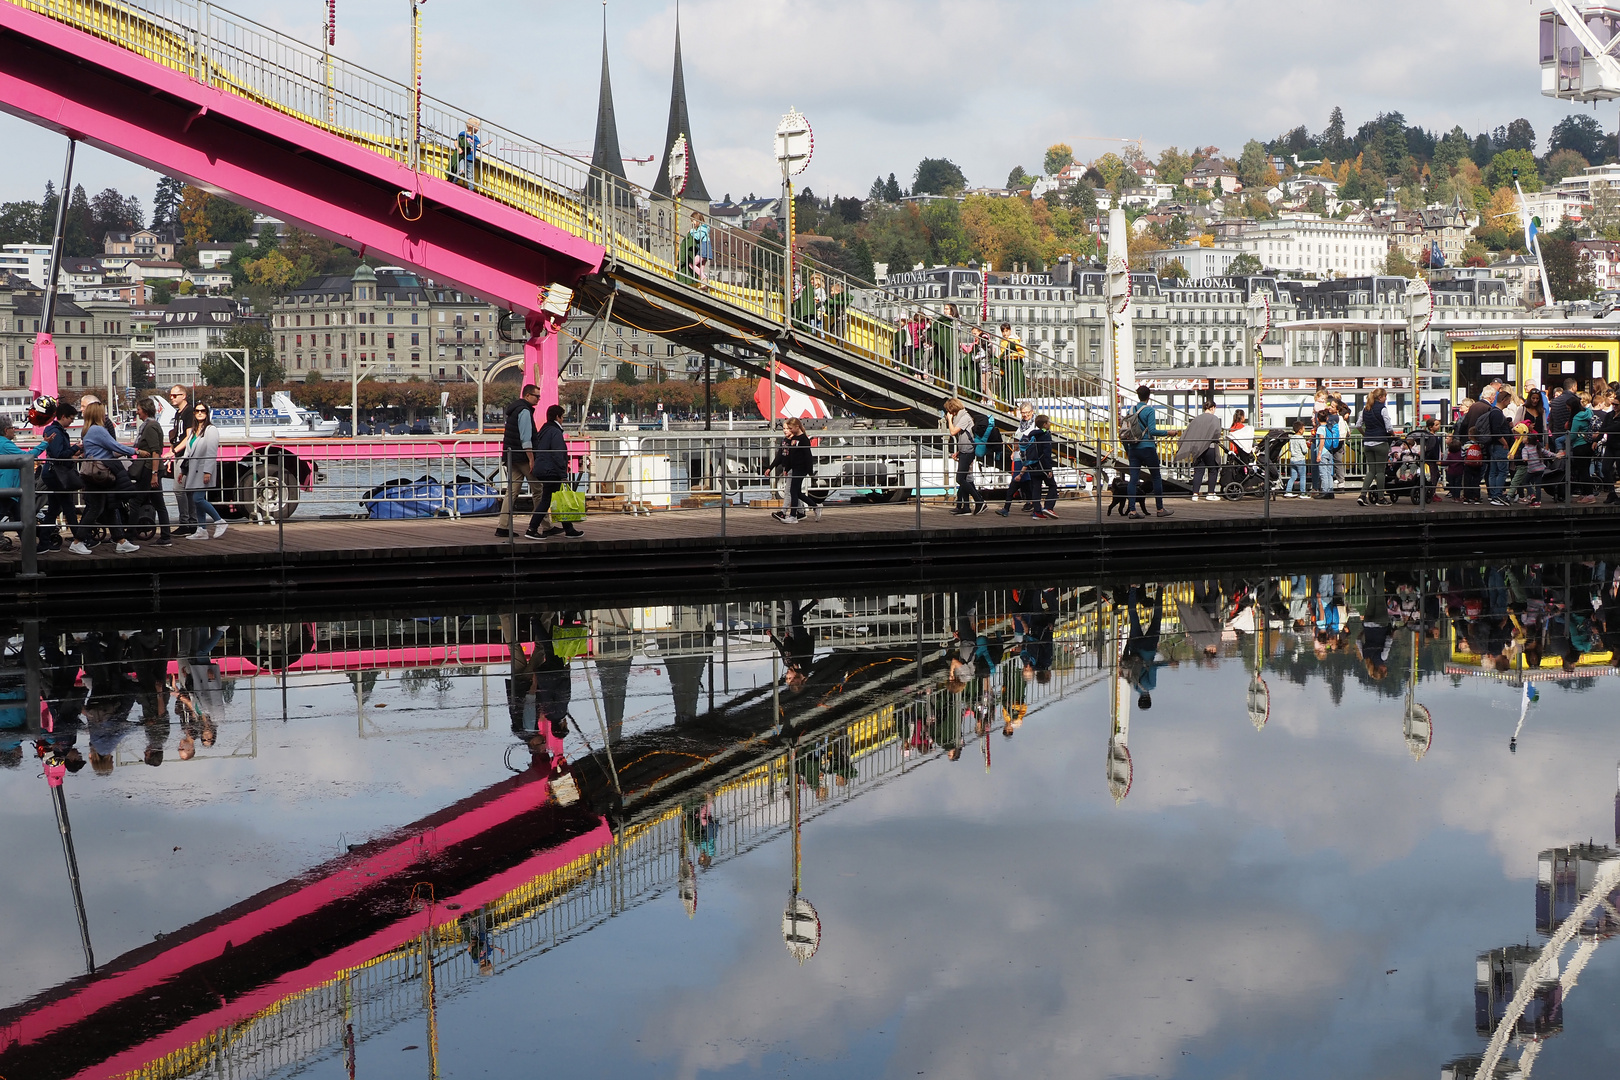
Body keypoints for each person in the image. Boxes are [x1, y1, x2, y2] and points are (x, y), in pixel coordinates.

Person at [77, 399, 142, 553]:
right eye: (103, 413)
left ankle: (120, 540)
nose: (106, 416)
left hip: (97, 474)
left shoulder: (89, 430)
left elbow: (108, 450)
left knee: (110, 507)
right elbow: (114, 446)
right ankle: (77, 540)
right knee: (96, 509)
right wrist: (136, 451)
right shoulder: (98, 430)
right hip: (99, 475)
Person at [525, 404, 581, 539]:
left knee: (554, 498)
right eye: (562, 417)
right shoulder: (555, 432)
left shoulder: (544, 430)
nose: (563, 420)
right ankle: (532, 528)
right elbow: (558, 453)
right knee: (547, 500)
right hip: (551, 470)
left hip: (542, 468)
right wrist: (563, 474)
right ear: (558, 417)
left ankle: (568, 528)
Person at [497, 383, 540, 537]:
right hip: (522, 457)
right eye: (536, 396)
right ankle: (541, 524)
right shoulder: (525, 412)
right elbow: (526, 438)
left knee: (512, 491)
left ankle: (503, 526)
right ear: (527, 395)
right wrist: (531, 458)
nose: (539, 399)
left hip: (511, 455)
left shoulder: (514, 410)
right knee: (539, 490)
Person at [0, 415, 49, 552]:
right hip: (9, 487)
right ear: (5, 430)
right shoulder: (5, 444)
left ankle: (29, 548)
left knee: (20, 518)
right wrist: (45, 443)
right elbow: (26, 457)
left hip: (10, 488)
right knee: (18, 517)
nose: (14, 431)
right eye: (12, 428)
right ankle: (30, 549)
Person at [38, 399, 81, 553]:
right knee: (68, 506)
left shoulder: (53, 431)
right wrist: (75, 448)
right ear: (63, 416)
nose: (71, 422)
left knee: (54, 509)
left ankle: (43, 542)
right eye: (71, 418)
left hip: (52, 474)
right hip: (56, 474)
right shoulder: (56, 432)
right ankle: (79, 540)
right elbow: (58, 455)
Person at [129, 397, 173, 547]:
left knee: (135, 501)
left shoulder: (150, 427)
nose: (138, 413)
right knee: (158, 503)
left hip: (149, 469)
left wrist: (154, 473)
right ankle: (166, 536)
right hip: (151, 468)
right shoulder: (151, 425)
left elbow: (155, 451)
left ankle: (129, 535)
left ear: (145, 410)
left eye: (139, 410)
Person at [180, 404, 226, 539]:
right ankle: (202, 529)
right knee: (197, 501)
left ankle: (219, 521)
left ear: (207, 413)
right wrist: (182, 471)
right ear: (194, 413)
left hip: (202, 470)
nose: (200, 413)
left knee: (198, 498)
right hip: (192, 470)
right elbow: (188, 452)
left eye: (203, 411)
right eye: (197, 411)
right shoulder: (194, 431)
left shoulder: (211, 430)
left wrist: (208, 471)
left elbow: (212, 451)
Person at [1175, 399, 1223, 502]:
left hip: (1197, 449)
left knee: (1198, 471)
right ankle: (1210, 493)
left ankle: (1195, 494)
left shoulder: (1196, 419)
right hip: (1210, 448)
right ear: (1212, 408)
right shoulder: (1214, 419)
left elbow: (1188, 432)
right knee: (1213, 470)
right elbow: (1217, 433)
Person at [768, 417, 814, 523]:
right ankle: (806, 509)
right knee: (796, 492)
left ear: (796, 427)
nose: (786, 430)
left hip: (800, 468)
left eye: (789, 428)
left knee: (791, 491)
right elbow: (785, 456)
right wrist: (781, 467)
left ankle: (788, 514)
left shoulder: (801, 439)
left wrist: (810, 470)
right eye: (784, 428)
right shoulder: (788, 440)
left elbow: (807, 455)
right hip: (792, 468)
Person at [944, 398, 984, 515]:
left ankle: (979, 500)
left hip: (968, 451)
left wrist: (949, 420)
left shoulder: (965, 417)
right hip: (964, 451)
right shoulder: (961, 417)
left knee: (960, 479)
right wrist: (958, 451)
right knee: (965, 479)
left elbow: (953, 432)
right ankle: (965, 507)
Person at [997, 403, 1038, 516]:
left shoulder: (1035, 424)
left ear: (1032, 412)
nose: (1024, 415)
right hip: (1019, 455)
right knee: (1025, 482)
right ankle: (1031, 503)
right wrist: (1014, 451)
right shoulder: (1022, 423)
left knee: (1016, 480)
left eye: (1027, 413)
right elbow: (1017, 437)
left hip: (1029, 457)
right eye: (1022, 413)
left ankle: (1006, 508)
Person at [1358, 387, 1396, 507]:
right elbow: (1389, 427)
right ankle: (1381, 498)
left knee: (1371, 471)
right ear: (1380, 397)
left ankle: (1362, 495)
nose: (1385, 398)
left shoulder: (1365, 409)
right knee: (1380, 471)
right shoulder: (1383, 409)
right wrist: (1393, 435)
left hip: (1368, 443)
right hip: (1380, 442)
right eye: (1385, 396)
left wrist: (1366, 434)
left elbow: (1358, 425)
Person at [166, 384, 196, 532]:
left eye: (175, 395)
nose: (171, 398)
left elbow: (189, 435)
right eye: (170, 395)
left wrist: (175, 451)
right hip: (179, 454)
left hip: (184, 455)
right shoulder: (178, 413)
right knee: (186, 489)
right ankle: (191, 522)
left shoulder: (189, 412)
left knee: (179, 489)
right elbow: (178, 435)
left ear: (183, 396)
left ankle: (186, 522)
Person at [1025, 414, 1058, 518]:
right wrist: (1049, 469)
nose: (1050, 424)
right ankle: (1048, 507)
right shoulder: (1045, 435)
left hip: (1032, 465)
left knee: (1036, 488)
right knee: (1052, 486)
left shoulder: (1032, 434)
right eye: (1048, 422)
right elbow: (1047, 453)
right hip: (1043, 466)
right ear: (1044, 424)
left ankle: (1037, 512)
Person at [1486, 390, 1514, 505]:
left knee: (1493, 471)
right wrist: (1505, 442)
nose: (1509, 403)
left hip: (1493, 446)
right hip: (1499, 446)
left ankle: (1493, 494)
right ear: (1504, 400)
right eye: (1508, 401)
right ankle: (1497, 495)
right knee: (1502, 471)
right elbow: (1496, 431)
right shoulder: (1497, 413)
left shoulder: (1493, 411)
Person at [1310, 409, 1338, 499]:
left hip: (1323, 452)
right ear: (1327, 418)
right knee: (1329, 473)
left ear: (1317, 419)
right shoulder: (1329, 427)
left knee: (1323, 473)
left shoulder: (1320, 429)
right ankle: (1330, 491)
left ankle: (1324, 491)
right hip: (1330, 451)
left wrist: (1319, 454)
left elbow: (1321, 441)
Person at [450, 117, 482, 188]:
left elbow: (479, 145)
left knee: (470, 175)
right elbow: (456, 141)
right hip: (463, 156)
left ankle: (471, 189)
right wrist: (458, 148)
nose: (478, 129)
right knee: (461, 170)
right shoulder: (463, 134)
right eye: (477, 127)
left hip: (470, 158)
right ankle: (453, 182)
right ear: (472, 126)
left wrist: (487, 143)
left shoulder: (475, 138)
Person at [1282, 418, 1309, 497]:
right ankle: (1303, 493)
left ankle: (1288, 491)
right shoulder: (1301, 439)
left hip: (1293, 459)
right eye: (1303, 429)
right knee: (1303, 476)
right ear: (1300, 430)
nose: (1304, 430)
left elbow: (1290, 449)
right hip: (1300, 459)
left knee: (1293, 476)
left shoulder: (1292, 438)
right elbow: (1304, 450)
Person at [684, 212, 712, 288]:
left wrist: (692, 231)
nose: (692, 223)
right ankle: (704, 285)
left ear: (697, 220)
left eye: (693, 221)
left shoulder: (702, 228)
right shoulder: (704, 228)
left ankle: (704, 278)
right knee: (700, 268)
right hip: (704, 250)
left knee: (691, 264)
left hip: (703, 250)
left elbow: (697, 237)